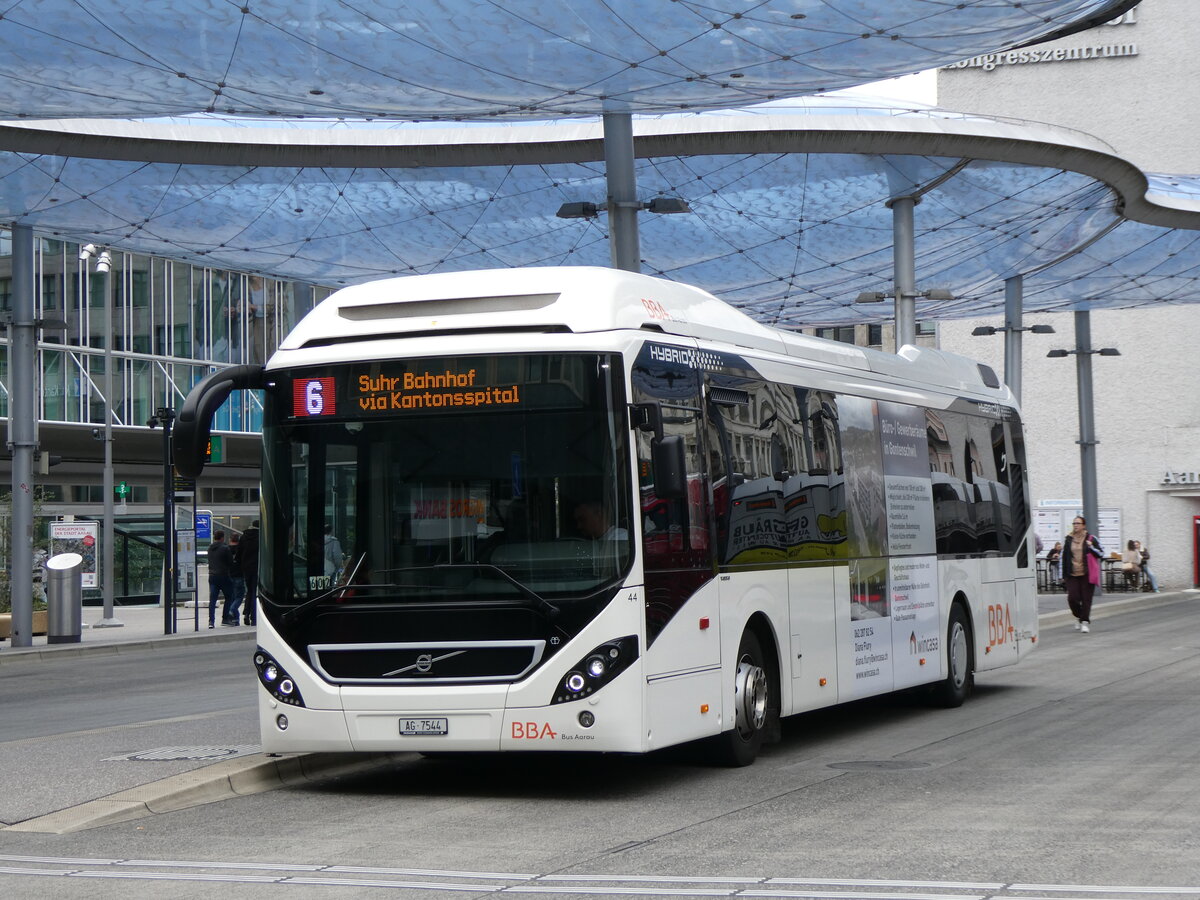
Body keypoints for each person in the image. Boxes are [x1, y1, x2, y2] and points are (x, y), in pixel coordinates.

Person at [1060, 516, 1103, 633]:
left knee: (1086, 599)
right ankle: (1079, 616)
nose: (1075, 525)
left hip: (1086, 574)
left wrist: (1091, 546)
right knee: (1072, 598)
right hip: (1072, 573)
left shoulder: (1091, 538)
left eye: (1078, 523)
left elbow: (1101, 553)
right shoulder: (1068, 539)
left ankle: (1084, 622)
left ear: (1083, 525)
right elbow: (1062, 557)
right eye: (1074, 523)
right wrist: (1061, 574)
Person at [207, 531, 236, 629]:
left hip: (212, 576)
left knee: (213, 599)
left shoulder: (210, 548)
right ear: (222, 538)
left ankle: (211, 621)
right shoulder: (225, 548)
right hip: (223, 576)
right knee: (229, 597)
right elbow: (230, 563)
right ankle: (225, 618)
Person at [240, 519, 260, 625]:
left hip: (246, 568)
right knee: (255, 592)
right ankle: (254, 617)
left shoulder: (244, 537)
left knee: (249, 591)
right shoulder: (260, 537)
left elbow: (239, 553)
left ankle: (246, 614)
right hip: (257, 567)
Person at [228, 533, 246, 624]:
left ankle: (236, 619)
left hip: (229, 575)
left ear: (230, 539)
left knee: (233, 597)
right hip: (239, 575)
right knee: (239, 597)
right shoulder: (241, 549)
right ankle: (232, 609)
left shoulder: (226, 549)